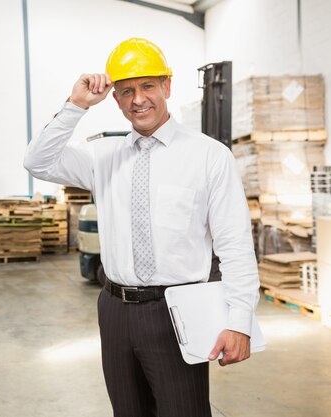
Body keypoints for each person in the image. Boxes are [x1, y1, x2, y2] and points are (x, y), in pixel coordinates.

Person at [23, 38, 260, 417]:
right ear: (115, 100)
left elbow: (234, 245)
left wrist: (239, 321)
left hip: (177, 311)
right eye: (126, 91)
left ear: (167, 86)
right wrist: (76, 105)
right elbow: (37, 161)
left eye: (148, 86)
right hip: (115, 310)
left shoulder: (208, 157)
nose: (138, 99)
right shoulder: (103, 158)